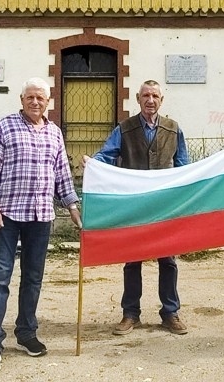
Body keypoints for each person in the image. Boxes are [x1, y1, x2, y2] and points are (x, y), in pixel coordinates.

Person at [0, 77, 82, 375]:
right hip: (6, 216)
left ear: (48, 102)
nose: (35, 102)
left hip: (40, 217)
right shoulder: (4, 126)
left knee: (33, 279)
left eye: (40, 98)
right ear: (21, 100)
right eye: (30, 98)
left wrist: (72, 207)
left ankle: (26, 332)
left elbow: (62, 173)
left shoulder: (55, 133)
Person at [82, 79, 189, 336]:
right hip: (135, 204)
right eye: (145, 96)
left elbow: (184, 165)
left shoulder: (174, 129)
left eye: (155, 96)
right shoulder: (125, 128)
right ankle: (131, 313)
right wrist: (93, 162)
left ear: (161, 100)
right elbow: (107, 154)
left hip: (165, 205)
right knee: (132, 259)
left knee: (168, 259)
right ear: (138, 99)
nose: (150, 100)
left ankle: (170, 312)